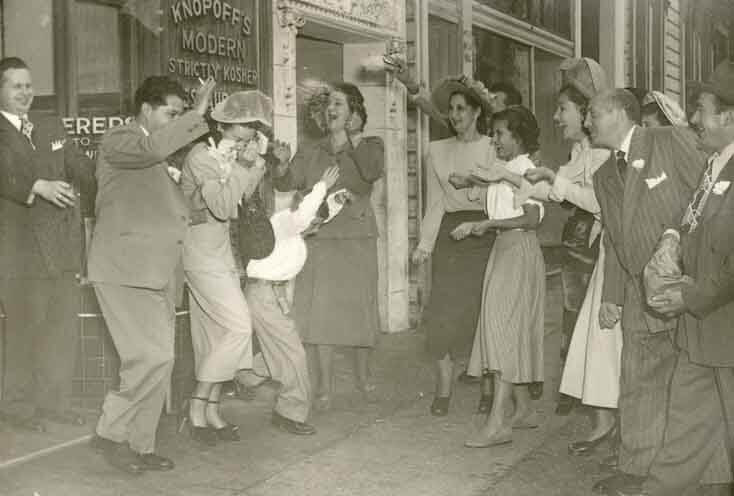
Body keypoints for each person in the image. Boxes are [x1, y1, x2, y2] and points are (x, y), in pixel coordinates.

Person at [582, 89, 712, 495]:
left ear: (621, 113)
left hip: (689, 286)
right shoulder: (603, 175)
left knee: (694, 383)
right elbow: (615, 241)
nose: (587, 123)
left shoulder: (667, 141)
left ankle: (706, 475)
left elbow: (707, 194)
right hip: (640, 291)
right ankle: (637, 469)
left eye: (593, 114)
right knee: (637, 380)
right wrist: (612, 296)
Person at [86, 75, 215, 474]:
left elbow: (172, 210)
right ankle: (110, 434)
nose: (175, 120)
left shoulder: (154, 158)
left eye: (179, 113)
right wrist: (197, 114)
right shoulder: (121, 139)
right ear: (145, 109)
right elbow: (154, 146)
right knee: (149, 357)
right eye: (170, 113)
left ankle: (139, 446)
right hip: (124, 271)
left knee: (160, 362)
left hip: (156, 272)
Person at [619, 60, 734, 496]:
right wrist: (670, 240)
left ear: (728, 115)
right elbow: (690, 218)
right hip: (699, 337)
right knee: (681, 439)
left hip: (724, 332)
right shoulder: (714, 165)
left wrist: (690, 298)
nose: (692, 120)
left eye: (700, 110)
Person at [513, 58, 621, 457]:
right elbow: (559, 190)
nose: (558, 117)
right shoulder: (583, 151)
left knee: (599, 331)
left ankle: (609, 421)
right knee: (588, 332)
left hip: (600, 245)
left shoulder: (604, 153)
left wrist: (549, 182)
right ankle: (603, 419)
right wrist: (511, 179)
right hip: (585, 241)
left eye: (564, 109)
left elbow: (596, 202)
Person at [272, 82, 383, 411]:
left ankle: (363, 380)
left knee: (359, 311)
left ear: (355, 112)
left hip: (357, 239)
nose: (331, 109)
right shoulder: (311, 149)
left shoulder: (370, 144)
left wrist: (354, 138)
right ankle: (323, 387)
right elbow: (286, 182)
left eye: (338, 103)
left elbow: (371, 171)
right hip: (320, 238)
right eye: (327, 104)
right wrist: (279, 164)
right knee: (320, 315)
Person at [0, 57, 95, 432]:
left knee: (60, 330)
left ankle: (54, 405)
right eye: (15, 86)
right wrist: (36, 186)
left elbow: (79, 168)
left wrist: (95, 179)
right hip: (19, 252)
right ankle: (18, 409)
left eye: (27, 85)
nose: (24, 92)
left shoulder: (51, 124)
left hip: (61, 247)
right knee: (26, 331)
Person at [180, 90, 273, 445]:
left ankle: (211, 414)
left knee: (214, 336)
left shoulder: (237, 155)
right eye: (246, 124)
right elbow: (220, 205)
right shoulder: (201, 156)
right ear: (223, 125)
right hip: (199, 253)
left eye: (253, 124)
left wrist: (253, 165)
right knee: (238, 326)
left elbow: (243, 201)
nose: (251, 130)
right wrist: (245, 165)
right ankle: (196, 405)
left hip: (222, 253)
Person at [456, 105, 545, 447]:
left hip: (518, 251)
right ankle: (523, 410)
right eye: (493, 134)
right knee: (501, 328)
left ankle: (498, 424)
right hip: (502, 251)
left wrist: (488, 223)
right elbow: (493, 186)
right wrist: (469, 181)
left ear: (519, 136)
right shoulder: (507, 168)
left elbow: (533, 219)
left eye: (501, 134)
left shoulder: (527, 169)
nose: (495, 140)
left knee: (503, 331)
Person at [409, 77, 496, 416]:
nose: (456, 115)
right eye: (452, 110)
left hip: (484, 231)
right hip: (450, 234)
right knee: (442, 312)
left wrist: (475, 185)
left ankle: (488, 387)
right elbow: (436, 202)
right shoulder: (438, 150)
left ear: (476, 113)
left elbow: (500, 192)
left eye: (462, 109)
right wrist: (425, 245)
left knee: (481, 311)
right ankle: (443, 388)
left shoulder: (492, 147)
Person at [245, 166, 340, 435]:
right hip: (263, 294)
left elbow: (321, 215)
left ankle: (241, 376)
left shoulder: (294, 236)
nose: (316, 227)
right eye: (314, 221)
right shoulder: (283, 222)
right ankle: (289, 413)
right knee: (294, 353)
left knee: (279, 350)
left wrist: (333, 202)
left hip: (269, 296)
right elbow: (304, 217)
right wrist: (322, 185)